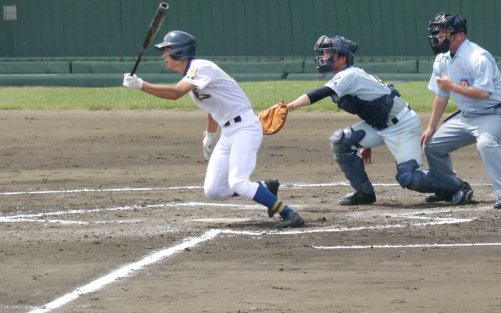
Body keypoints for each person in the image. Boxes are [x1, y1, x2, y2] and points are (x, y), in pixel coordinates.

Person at [122, 30, 304, 229]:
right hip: (229, 132)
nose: (163, 55)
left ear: (179, 52)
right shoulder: (192, 76)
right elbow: (213, 107)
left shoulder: (200, 68)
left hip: (245, 128)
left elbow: (175, 93)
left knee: (238, 183)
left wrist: (141, 85)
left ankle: (289, 213)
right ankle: (265, 188)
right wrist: (210, 135)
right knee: (214, 190)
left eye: (166, 50)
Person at [283, 35, 473, 206]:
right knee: (341, 141)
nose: (324, 57)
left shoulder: (348, 75)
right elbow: (368, 107)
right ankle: (364, 193)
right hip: (380, 124)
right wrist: (367, 143)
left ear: (342, 57)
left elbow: (319, 94)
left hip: (402, 126)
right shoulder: (345, 77)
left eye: (329, 53)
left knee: (409, 177)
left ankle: (458, 186)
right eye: (324, 53)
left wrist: (288, 107)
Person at [421, 12, 501, 209]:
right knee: (431, 145)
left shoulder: (478, 57)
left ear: (460, 35)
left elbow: (484, 93)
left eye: (444, 32)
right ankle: (448, 187)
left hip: (494, 113)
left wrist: (453, 87)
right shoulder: (441, 59)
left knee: (486, 144)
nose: (439, 36)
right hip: (466, 116)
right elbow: (442, 96)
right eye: (438, 32)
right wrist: (431, 127)